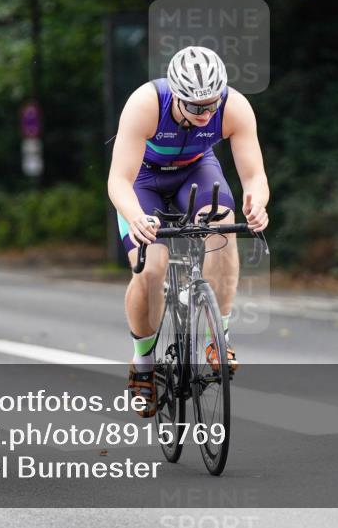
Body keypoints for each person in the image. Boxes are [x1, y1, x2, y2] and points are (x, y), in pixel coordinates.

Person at [108, 45, 270, 417]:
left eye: (212, 105)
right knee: (152, 267)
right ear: (176, 96)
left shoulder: (234, 106)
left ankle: (218, 338)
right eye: (196, 107)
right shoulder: (146, 104)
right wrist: (135, 217)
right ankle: (144, 365)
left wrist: (257, 202)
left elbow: (254, 174)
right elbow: (119, 179)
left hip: (196, 171)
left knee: (223, 227)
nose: (206, 114)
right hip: (143, 180)